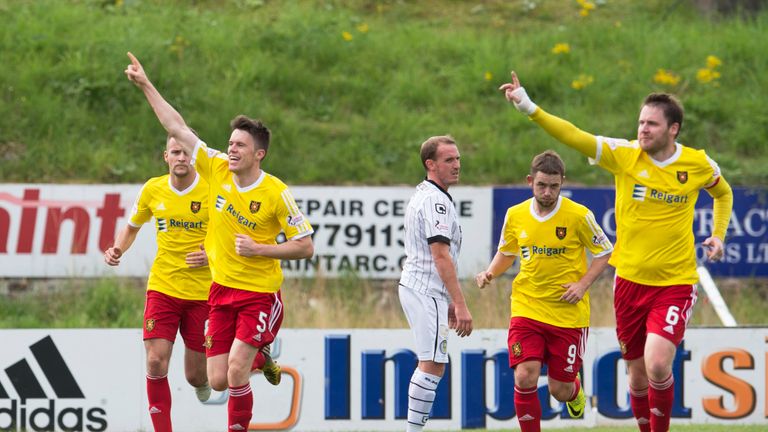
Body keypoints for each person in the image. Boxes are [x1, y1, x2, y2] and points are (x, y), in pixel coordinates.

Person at [499, 72, 733, 432]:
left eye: (652, 124)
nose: (643, 129)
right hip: (628, 283)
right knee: (638, 378)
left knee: (657, 364)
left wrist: (718, 235)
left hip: (675, 283)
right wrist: (529, 107)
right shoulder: (625, 156)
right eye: (641, 122)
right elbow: (575, 136)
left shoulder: (697, 164)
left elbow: (723, 193)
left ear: (674, 129)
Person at [124, 52, 315, 431]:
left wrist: (261, 249)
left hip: (259, 294)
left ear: (258, 154)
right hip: (220, 293)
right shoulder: (215, 169)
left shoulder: (277, 193)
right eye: (230, 143)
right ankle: (261, 357)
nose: (231, 150)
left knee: (235, 370)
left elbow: (305, 245)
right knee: (216, 380)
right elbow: (176, 126)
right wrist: (146, 85)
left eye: (240, 146)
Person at [475, 150, 613, 431]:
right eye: (541, 185)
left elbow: (605, 252)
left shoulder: (579, 216)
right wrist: (490, 272)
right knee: (525, 376)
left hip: (568, 314)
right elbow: (507, 252)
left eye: (554, 186)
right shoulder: (516, 215)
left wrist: (582, 284)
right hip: (527, 306)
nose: (548, 192)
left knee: (558, 390)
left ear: (563, 182)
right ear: (530, 181)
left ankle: (574, 391)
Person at [104, 135, 212, 432]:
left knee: (195, 377)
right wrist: (117, 249)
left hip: (203, 293)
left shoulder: (212, 189)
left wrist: (210, 255)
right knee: (155, 362)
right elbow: (131, 227)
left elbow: (229, 234)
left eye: (186, 153)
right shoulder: (153, 189)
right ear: (166, 156)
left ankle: (202, 381)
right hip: (163, 287)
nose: (181, 158)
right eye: (175, 152)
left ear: (195, 157)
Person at [398, 135, 473, 432]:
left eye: (457, 159)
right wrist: (461, 302)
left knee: (434, 361)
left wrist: (450, 300)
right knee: (432, 362)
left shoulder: (433, 196)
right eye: (448, 160)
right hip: (425, 288)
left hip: (425, 289)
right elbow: (440, 256)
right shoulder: (434, 201)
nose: (456, 165)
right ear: (430, 164)